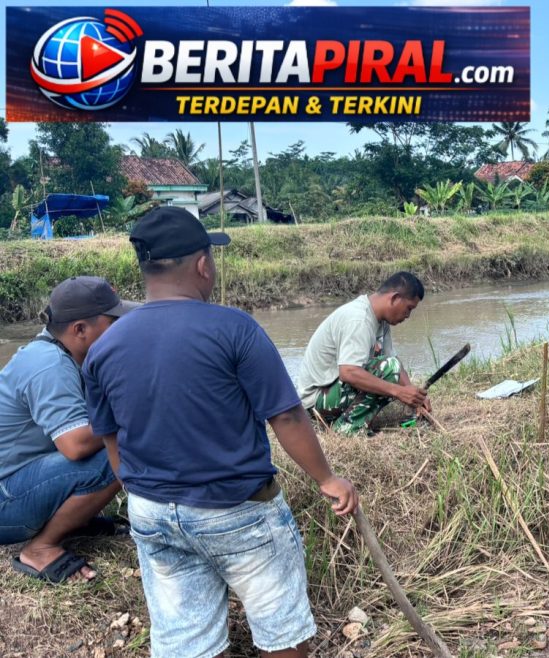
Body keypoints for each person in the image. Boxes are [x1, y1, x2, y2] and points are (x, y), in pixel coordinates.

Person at [83, 207, 357, 658]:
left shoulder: (104, 346)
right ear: (203, 265)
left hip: (151, 511)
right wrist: (328, 480)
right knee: (282, 630)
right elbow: (286, 417)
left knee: (185, 639)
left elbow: (111, 437)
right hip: (237, 511)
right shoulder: (235, 328)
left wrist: (140, 491)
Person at [0, 276, 137, 583]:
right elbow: (75, 445)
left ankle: (74, 521)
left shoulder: (59, 351)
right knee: (121, 448)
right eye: (112, 323)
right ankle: (39, 548)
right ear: (79, 330)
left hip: (16, 479)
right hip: (4, 499)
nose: (119, 330)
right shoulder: (49, 365)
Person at [296, 271, 429, 434]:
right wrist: (398, 391)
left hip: (332, 390)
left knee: (390, 366)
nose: (408, 315)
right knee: (389, 369)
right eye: (409, 308)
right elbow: (348, 372)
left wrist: (414, 396)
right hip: (315, 402)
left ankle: (350, 422)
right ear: (394, 298)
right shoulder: (358, 320)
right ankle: (346, 430)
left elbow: (392, 359)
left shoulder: (381, 321)